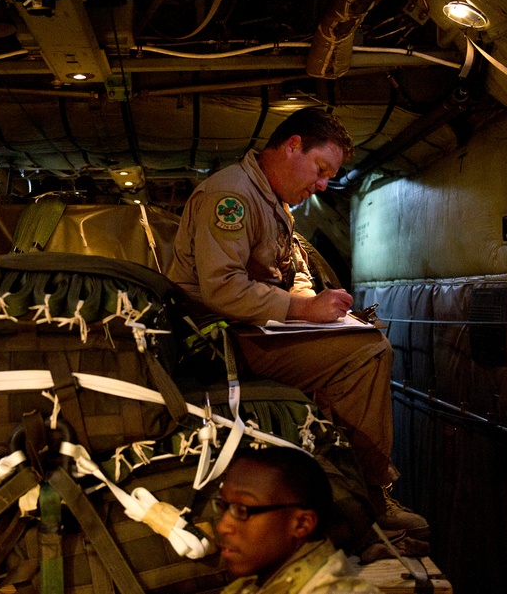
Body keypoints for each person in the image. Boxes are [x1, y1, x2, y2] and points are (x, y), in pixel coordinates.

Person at [169, 107, 427, 537]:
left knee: (358, 339)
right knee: (367, 355)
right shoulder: (232, 195)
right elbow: (222, 288)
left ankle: (331, 482)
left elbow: (294, 271)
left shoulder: (274, 203)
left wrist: (317, 307)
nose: (323, 184)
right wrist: (306, 311)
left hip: (253, 331)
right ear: (292, 146)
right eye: (320, 168)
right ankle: (367, 495)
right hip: (221, 341)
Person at [215, 447, 380, 594]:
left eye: (242, 510)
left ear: (302, 524)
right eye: (223, 506)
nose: (223, 527)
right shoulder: (253, 584)